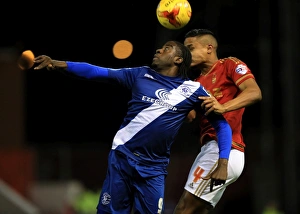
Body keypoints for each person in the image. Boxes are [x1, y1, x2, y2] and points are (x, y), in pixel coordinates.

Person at [33, 40, 233, 214]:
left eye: (167, 48)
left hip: (154, 169)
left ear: (178, 60)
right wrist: (58, 63)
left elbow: (222, 125)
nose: (159, 50)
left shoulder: (193, 90)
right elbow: (97, 71)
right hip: (122, 158)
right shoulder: (140, 74)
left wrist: (223, 163)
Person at [173, 29, 262, 214]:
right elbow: (190, 117)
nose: (186, 54)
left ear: (209, 48)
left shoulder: (229, 65)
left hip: (225, 149)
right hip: (209, 148)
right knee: (197, 210)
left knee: (183, 209)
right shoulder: (196, 82)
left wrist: (224, 107)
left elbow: (254, 92)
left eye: (190, 48)